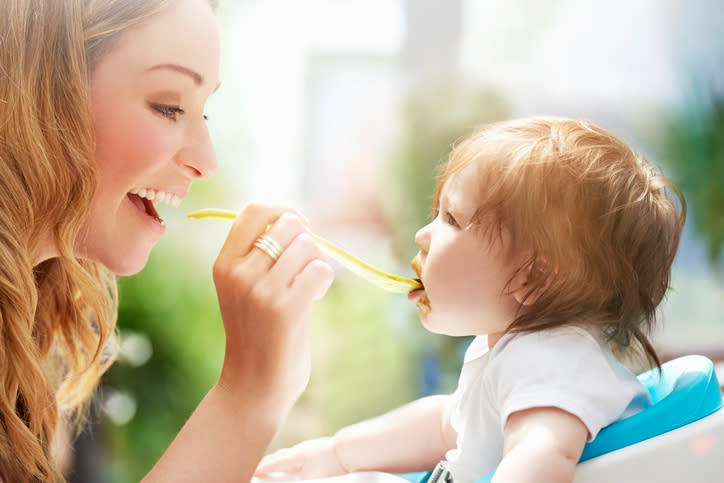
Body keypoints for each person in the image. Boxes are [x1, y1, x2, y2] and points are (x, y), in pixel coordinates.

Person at [0, 0, 334, 481]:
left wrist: (263, 391)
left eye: (204, 112)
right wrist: (246, 396)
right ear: (43, 92)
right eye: (169, 106)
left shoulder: (33, 333)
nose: (206, 160)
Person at [254, 117, 686, 483]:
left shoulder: (551, 363)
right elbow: (448, 426)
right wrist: (336, 454)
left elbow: (543, 454)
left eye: (452, 219)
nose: (424, 235)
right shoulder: (514, 350)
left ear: (532, 276)